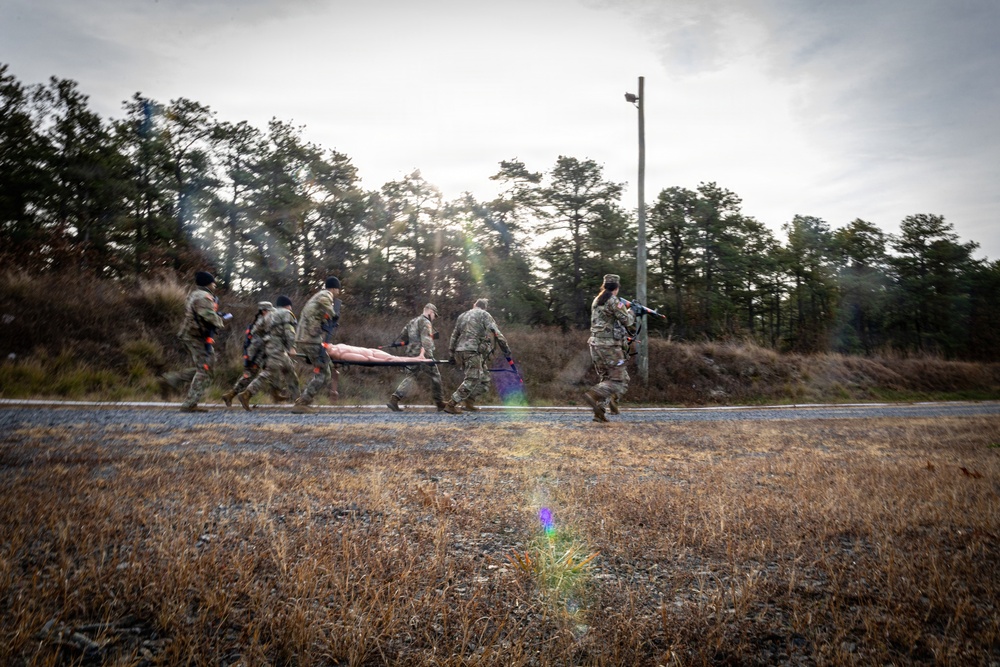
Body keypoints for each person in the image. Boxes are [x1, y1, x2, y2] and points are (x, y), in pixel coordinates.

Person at [159, 271, 231, 412]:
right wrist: (220, 320)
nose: (215, 285)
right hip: (194, 336)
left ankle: (173, 379)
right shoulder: (203, 296)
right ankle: (189, 403)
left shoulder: (196, 294)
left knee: (207, 367)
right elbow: (208, 315)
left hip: (196, 335)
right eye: (213, 282)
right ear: (208, 283)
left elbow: (203, 314)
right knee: (205, 369)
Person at [583, 274, 637, 422]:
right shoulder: (614, 301)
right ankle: (594, 394)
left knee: (606, 378)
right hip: (609, 347)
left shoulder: (597, 300)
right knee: (619, 379)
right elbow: (627, 321)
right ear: (617, 287)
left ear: (604, 285)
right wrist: (634, 311)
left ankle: (599, 413)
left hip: (595, 345)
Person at [444, 297, 511, 414]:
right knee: (472, 378)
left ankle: (469, 402)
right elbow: (496, 333)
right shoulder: (485, 315)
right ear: (484, 307)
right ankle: (451, 404)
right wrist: (506, 350)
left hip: (463, 351)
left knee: (484, 380)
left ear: (474, 304)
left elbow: (454, 335)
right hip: (472, 351)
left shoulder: (462, 315)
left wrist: (451, 354)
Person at [238, 296, 300, 410]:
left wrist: (266, 339)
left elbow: (255, 330)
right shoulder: (287, 313)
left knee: (289, 370)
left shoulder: (270, 314)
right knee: (269, 372)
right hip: (278, 347)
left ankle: (298, 399)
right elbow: (289, 331)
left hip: (271, 346)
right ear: (288, 306)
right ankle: (247, 394)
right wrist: (292, 347)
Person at [291, 276, 342, 414]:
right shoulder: (325, 295)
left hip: (306, 338)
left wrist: (326, 321)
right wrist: (333, 314)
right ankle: (303, 402)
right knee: (323, 373)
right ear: (334, 288)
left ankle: (303, 400)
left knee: (325, 369)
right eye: (338, 289)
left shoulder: (316, 297)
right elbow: (325, 302)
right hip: (310, 339)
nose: (338, 292)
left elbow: (317, 315)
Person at [387, 303, 446, 412]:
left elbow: (404, 336)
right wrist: (423, 355)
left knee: (411, 377)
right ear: (430, 312)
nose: (434, 318)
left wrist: (413, 341)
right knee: (435, 376)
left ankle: (394, 399)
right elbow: (426, 341)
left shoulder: (412, 321)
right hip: (422, 354)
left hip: (411, 353)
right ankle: (439, 402)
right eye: (434, 315)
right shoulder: (426, 322)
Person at [221, 301, 272, 407]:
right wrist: (250, 358)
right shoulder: (260, 322)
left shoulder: (262, 321)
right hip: (255, 354)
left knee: (254, 375)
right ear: (263, 311)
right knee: (249, 376)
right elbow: (256, 342)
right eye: (269, 311)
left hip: (259, 353)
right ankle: (232, 395)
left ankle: (230, 395)